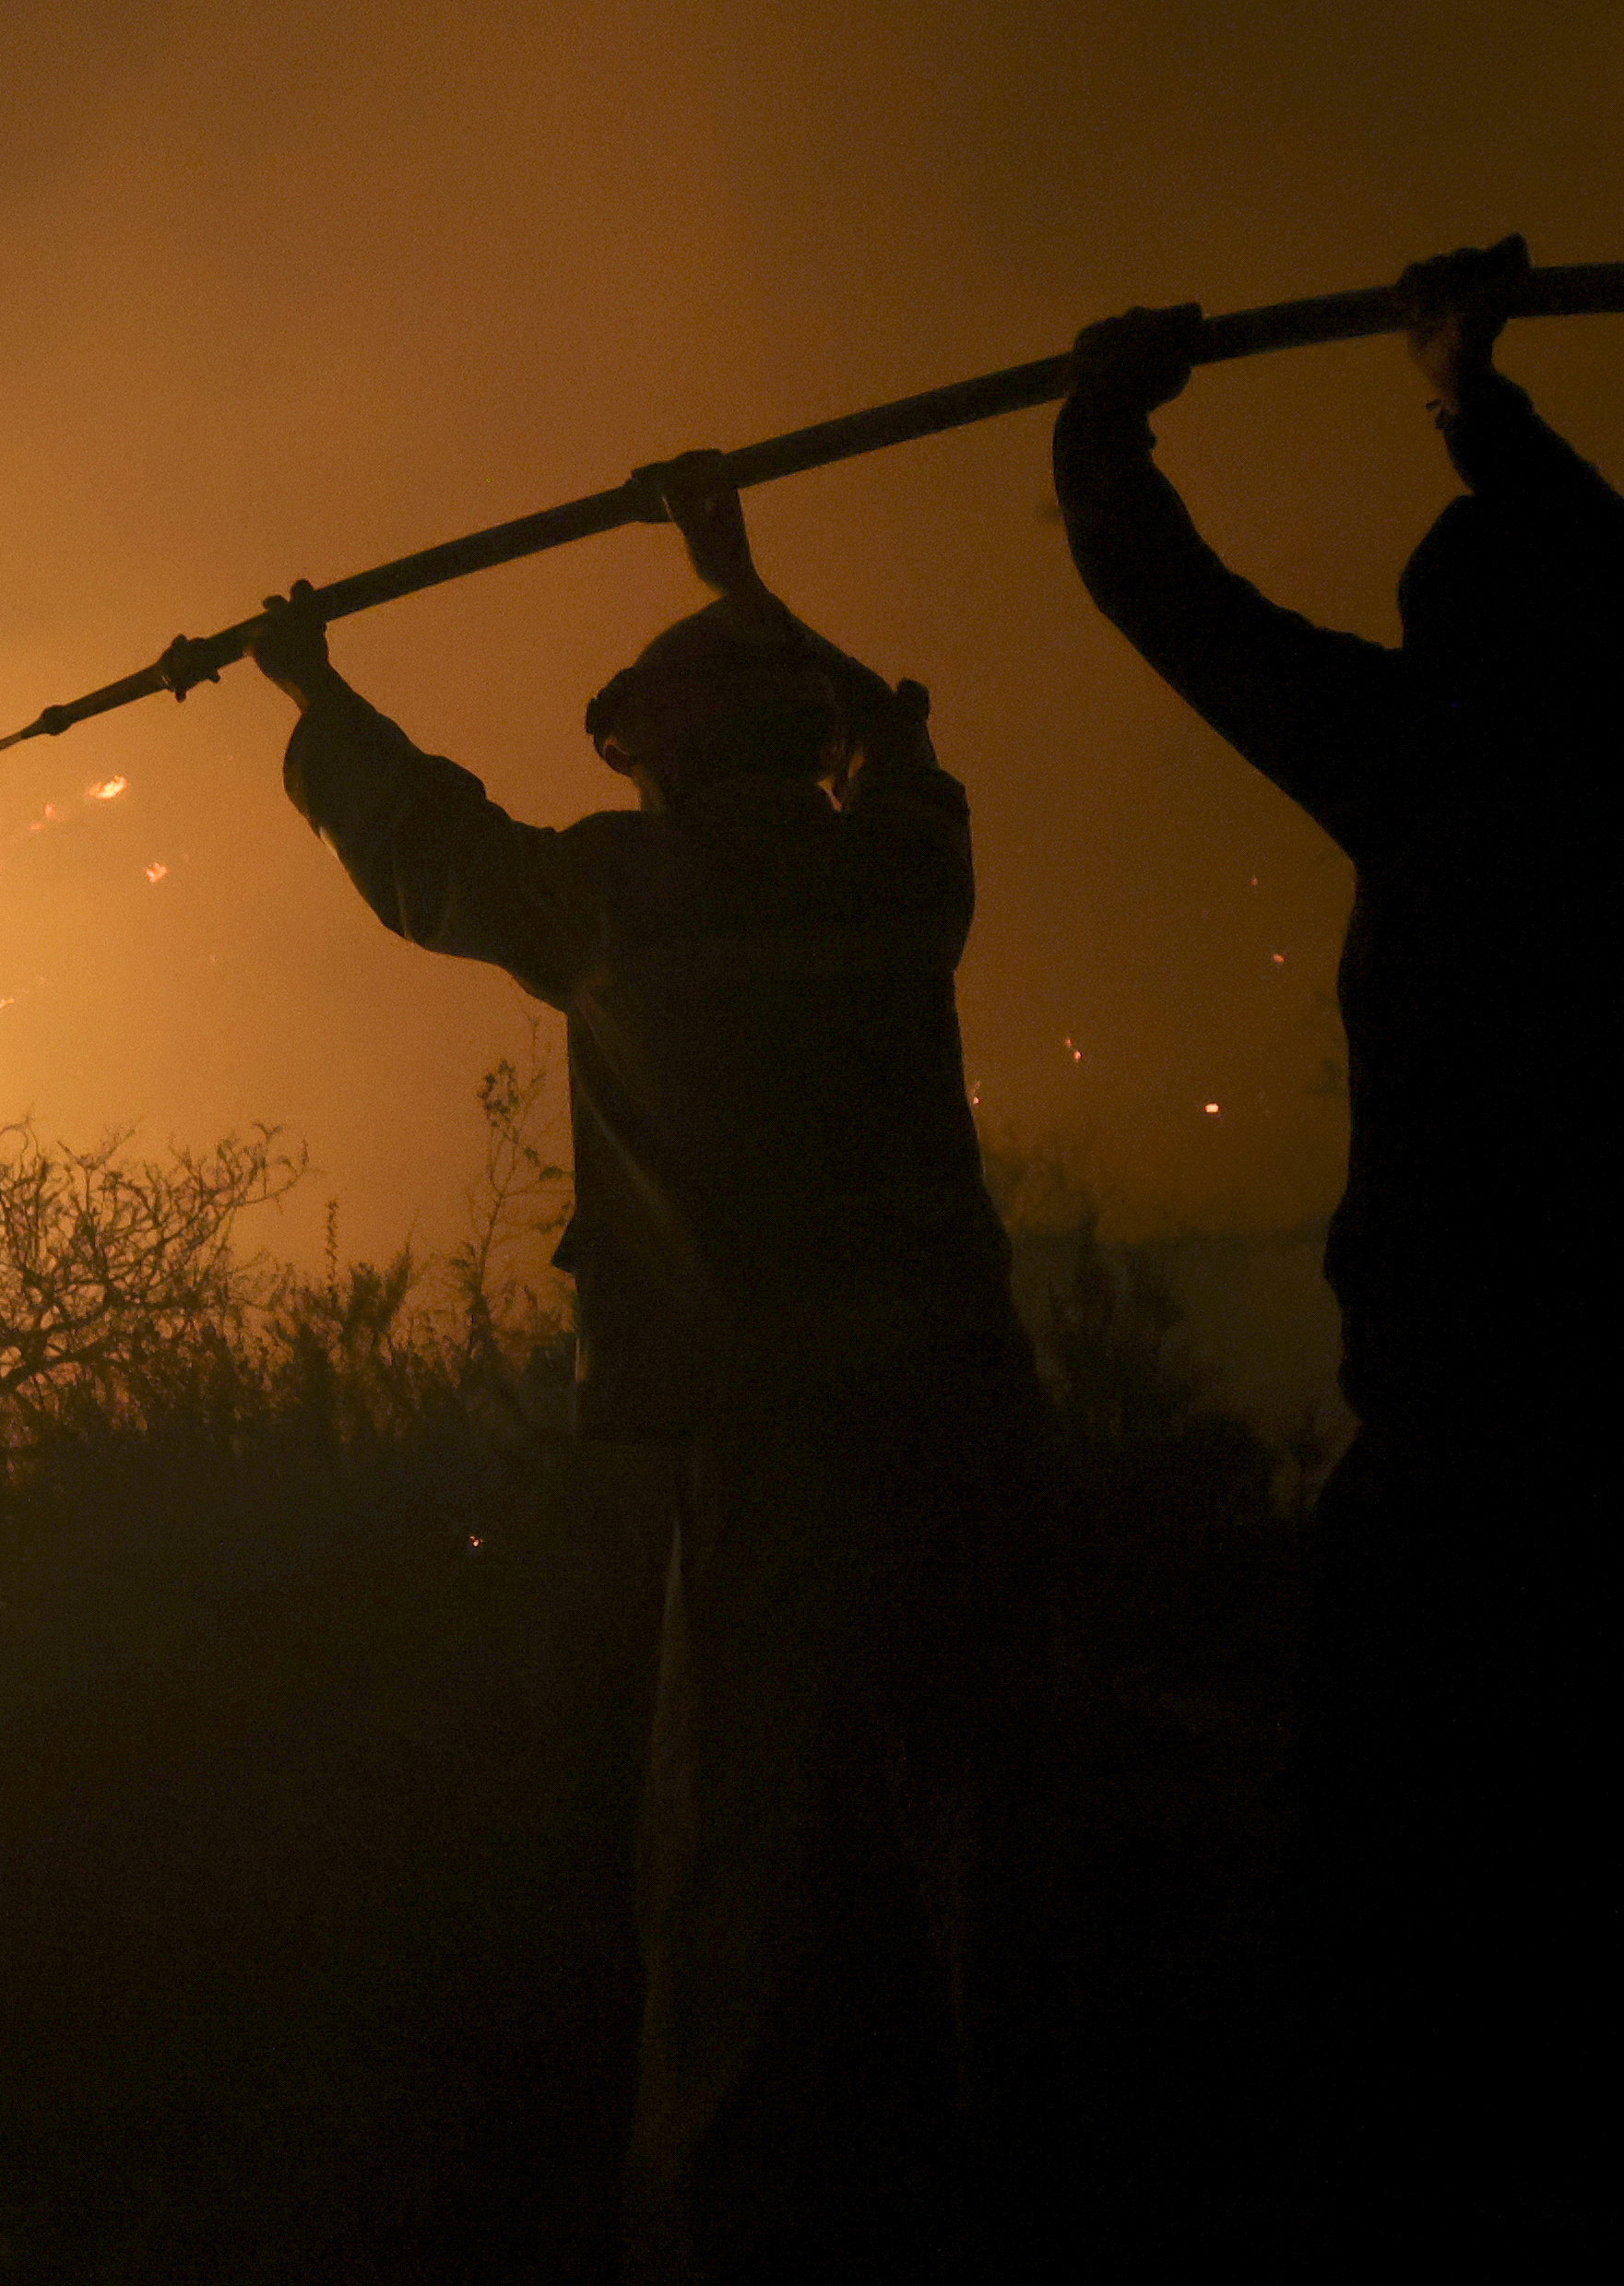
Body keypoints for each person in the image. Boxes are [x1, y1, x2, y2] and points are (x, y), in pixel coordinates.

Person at [1052, 237, 1624, 2262]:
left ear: (1466, 652)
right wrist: (1474, 403)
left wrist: (1101, 426)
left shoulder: (1444, 768)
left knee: (1390, 1939)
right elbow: (1608, 581)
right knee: (1579, 1901)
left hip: (1488, 1466)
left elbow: (1174, 604)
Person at [245, 460, 1053, 2283]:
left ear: (659, 757)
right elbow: (898, 727)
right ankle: (1018, 2191)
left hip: (767, 1445)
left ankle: (717, 2239)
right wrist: (736, 570)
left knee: (735, 1884)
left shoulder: (623, 897)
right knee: (984, 1835)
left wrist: (312, 684)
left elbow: (426, 845)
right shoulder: (906, 868)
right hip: (968, 1413)